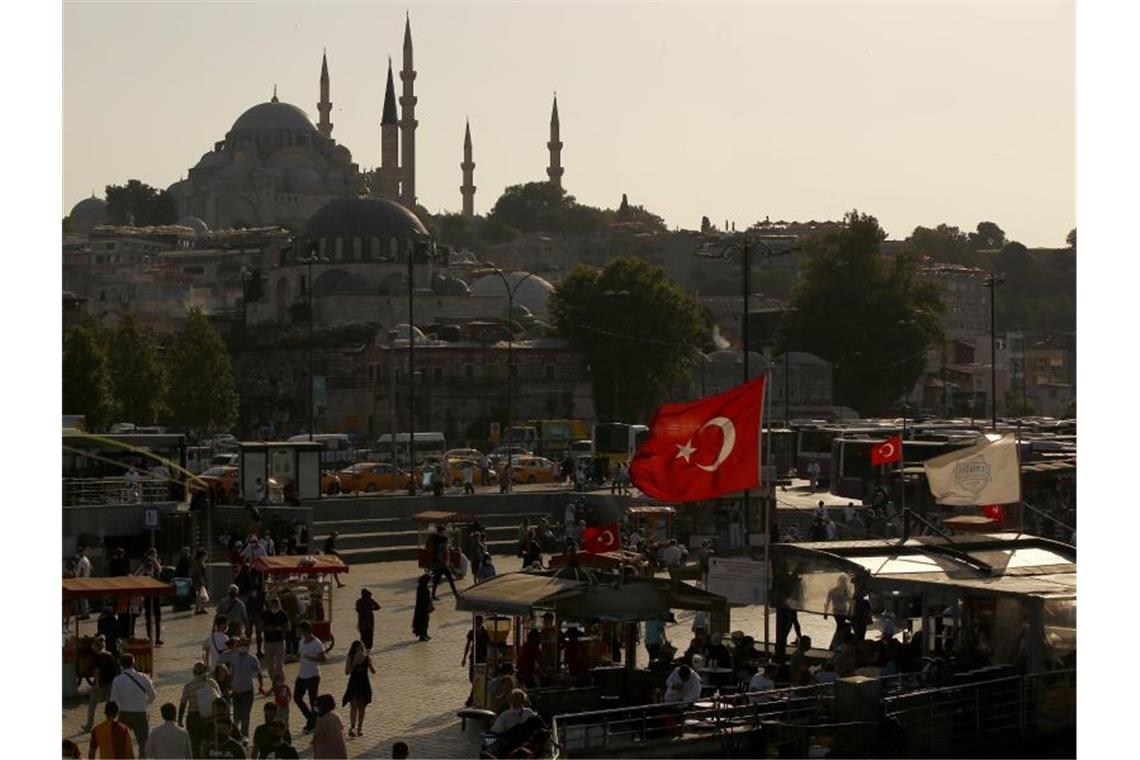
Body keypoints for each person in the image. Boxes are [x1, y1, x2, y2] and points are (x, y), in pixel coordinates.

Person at [109, 653, 156, 756]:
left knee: (121, 742)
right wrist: (145, 703)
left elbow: (113, 700)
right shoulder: (143, 677)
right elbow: (153, 695)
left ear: (121, 664)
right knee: (143, 744)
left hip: (124, 714)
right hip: (141, 714)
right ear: (133, 663)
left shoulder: (118, 680)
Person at [178, 662, 220, 757]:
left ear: (193, 672)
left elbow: (183, 703)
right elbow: (219, 698)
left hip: (194, 718)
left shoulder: (188, 686)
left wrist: (180, 720)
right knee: (210, 742)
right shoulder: (211, 682)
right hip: (209, 717)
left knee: (194, 744)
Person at [229, 637, 266, 741]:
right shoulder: (233, 658)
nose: (242, 647)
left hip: (247, 691)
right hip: (236, 691)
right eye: (241, 645)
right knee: (236, 715)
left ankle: (245, 735)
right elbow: (231, 673)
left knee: (245, 715)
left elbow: (258, 673)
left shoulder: (252, 659)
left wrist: (261, 685)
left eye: (245, 645)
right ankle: (236, 735)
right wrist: (229, 686)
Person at [294, 621, 326, 733]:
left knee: (313, 700)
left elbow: (323, 659)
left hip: (313, 675)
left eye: (300, 630)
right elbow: (299, 656)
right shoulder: (301, 641)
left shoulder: (316, 643)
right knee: (297, 697)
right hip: (302, 674)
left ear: (305, 630)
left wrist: (311, 658)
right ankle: (311, 719)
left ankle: (311, 724)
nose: (298, 632)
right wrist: (292, 657)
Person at [82, 635, 118, 733]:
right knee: (109, 705)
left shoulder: (97, 657)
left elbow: (96, 672)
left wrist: (96, 685)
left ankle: (89, 725)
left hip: (100, 684)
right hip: (110, 684)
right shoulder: (110, 655)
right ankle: (111, 724)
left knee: (92, 705)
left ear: (95, 646)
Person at [341, 641, 375, 737]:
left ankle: (359, 729)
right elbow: (347, 672)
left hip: (364, 684)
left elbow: (373, 671)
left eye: (362, 648)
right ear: (354, 649)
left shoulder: (366, 658)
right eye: (359, 648)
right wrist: (354, 663)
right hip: (354, 684)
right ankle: (352, 728)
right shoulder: (350, 657)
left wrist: (369, 663)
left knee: (362, 708)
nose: (361, 650)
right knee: (353, 707)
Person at [132, 548, 163, 645]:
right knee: (149, 617)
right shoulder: (144, 564)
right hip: (148, 594)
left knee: (157, 617)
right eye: (153, 555)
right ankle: (150, 638)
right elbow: (136, 574)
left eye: (155, 555)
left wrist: (154, 561)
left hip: (156, 593)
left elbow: (159, 569)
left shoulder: (155, 563)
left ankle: (157, 638)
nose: (154, 557)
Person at [462, 615, 490, 706]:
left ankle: (471, 698)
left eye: (479, 622)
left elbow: (489, 645)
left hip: (482, 658)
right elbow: (467, 645)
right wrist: (464, 658)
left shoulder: (486, 633)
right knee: (472, 677)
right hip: (473, 657)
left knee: (477, 678)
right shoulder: (472, 632)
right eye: (476, 622)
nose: (477, 623)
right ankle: (473, 696)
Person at [311, 694, 348, 759]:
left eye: (317, 705)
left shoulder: (322, 720)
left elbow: (318, 737)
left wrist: (313, 743)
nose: (315, 707)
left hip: (327, 752)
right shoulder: (335, 716)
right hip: (339, 750)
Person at [262, 596, 289, 681]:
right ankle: (274, 682)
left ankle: (280, 683)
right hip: (268, 642)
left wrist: (282, 629)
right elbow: (260, 626)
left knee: (279, 666)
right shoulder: (266, 614)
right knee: (270, 666)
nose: (274, 607)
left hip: (279, 641)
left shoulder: (283, 614)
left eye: (276, 605)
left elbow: (288, 627)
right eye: (273, 605)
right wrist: (267, 628)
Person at [428, 525, 458, 599]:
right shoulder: (438, 540)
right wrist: (445, 562)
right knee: (447, 579)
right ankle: (456, 594)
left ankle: (433, 595)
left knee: (438, 580)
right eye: (444, 531)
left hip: (440, 563)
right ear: (441, 532)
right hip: (440, 564)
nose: (445, 532)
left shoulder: (439, 539)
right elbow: (438, 553)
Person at [412, 572, 433, 641]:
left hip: (423, 607)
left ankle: (425, 633)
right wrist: (429, 605)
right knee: (423, 621)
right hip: (423, 607)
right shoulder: (422, 587)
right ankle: (422, 635)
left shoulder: (422, 586)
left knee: (426, 621)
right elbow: (424, 598)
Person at [191, 549, 210, 615]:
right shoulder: (199, 564)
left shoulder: (200, 563)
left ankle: (202, 608)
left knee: (202, 595)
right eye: (205, 555)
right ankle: (197, 609)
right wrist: (202, 581)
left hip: (201, 580)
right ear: (202, 556)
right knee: (199, 595)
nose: (206, 557)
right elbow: (199, 573)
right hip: (200, 581)